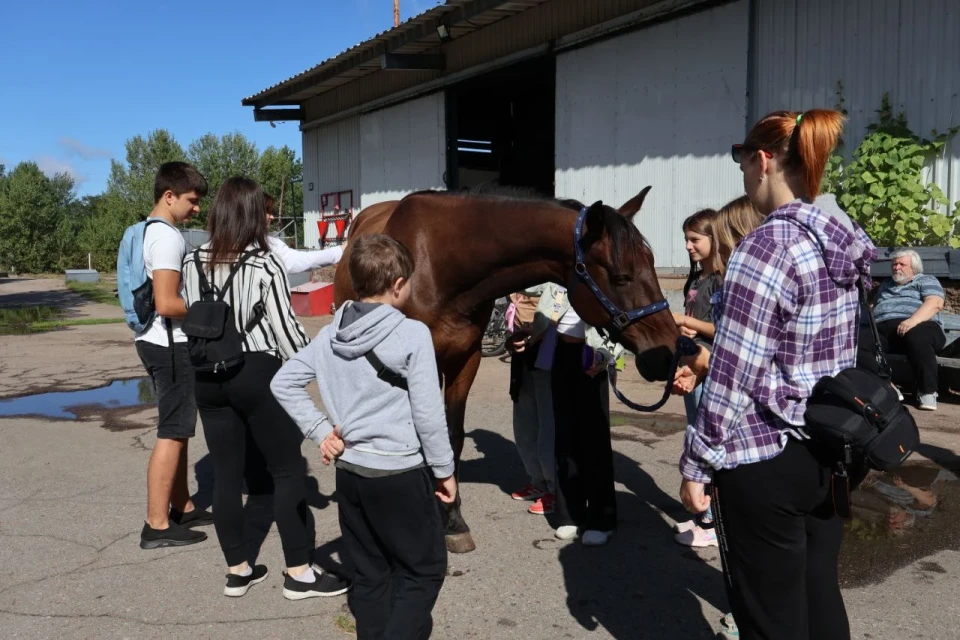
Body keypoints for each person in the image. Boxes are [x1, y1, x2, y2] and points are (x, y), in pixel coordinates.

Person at [678, 109, 876, 640]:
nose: (742, 171)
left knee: (770, 615)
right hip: (832, 445)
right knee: (818, 591)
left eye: (741, 160)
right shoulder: (844, 239)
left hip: (767, 455)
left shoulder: (765, 248)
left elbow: (733, 373)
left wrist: (697, 464)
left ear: (762, 160)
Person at [271, 233, 456, 640]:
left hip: (351, 473)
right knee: (424, 570)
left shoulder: (328, 336)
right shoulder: (412, 335)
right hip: (400, 473)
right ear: (397, 284)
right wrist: (445, 469)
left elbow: (284, 382)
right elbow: (428, 413)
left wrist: (321, 431)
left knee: (370, 573)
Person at [182, 177, 349, 599]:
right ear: (253, 215)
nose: (270, 218)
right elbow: (287, 330)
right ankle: (299, 573)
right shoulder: (262, 264)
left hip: (206, 375)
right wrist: (318, 367)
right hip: (257, 372)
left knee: (224, 474)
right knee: (287, 470)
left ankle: (238, 570)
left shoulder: (191, 261)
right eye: (265, 211)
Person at [241, 191, 347, 500]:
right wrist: (341, 252)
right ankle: (273, 480)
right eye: (267, 212)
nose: (272, 217)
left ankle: (252, 478)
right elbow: (300, 261)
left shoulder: (215, 247)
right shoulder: (268, 247)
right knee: (271, 420)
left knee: (242, 422)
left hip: (225, 353)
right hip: (261, 349)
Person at [135, 161, 213, 550]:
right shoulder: (167, 238)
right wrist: (210, 311)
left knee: (179, 429)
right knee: (172, 430)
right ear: (169, 196)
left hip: (152, 340)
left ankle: (182, 505)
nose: (196, 209)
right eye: (192, 201)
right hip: (168, 344)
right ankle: (157, 525)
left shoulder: (143, 231)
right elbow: (167, 302)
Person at [510, 284, 623, 546]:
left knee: (593, 440)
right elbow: (526, 279)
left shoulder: (601, 277)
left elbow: (619, 322)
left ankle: (601, 519)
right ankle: (570, 514)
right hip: (559, 355)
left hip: (592, 354)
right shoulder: (556, 277)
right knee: (563, 436)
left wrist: (607, 355)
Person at [856, 249, 945, 410]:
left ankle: (927, 391)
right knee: (859, 341)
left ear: (914, 267)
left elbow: (935, 303)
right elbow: (871, 306)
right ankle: (887, 385)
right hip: (884, 332)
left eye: (901, 264)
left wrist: (912, 320)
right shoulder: (885, 285)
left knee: (918, 336)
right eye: (894, 264)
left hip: (920, 326)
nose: (896, 268)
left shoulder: (925, 280)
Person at [506, 286, 557, 515]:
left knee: (549, 419)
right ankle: (537, 480)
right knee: (524, 415)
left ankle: (555, 489)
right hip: (522, 342)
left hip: (547, 344)